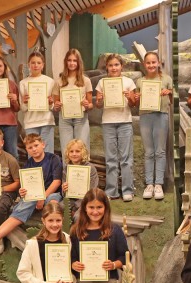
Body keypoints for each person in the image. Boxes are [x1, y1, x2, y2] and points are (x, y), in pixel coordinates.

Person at [0, 133, 62, 255]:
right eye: (30, 148)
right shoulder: (28, 165)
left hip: (52, 193)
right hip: (34, 195)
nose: (34, 149)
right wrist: (22, 191)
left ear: (43, 144)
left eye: (36, 145)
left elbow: (57, 182)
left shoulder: (53, 159)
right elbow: (25, 186)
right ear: (26, 150)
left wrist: (43, 197)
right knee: (23, 205)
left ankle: (56, 241)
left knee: (53, 205)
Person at [17, 202, 74, 283]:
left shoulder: (67, 240)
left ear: (62, 220)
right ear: (43, 221)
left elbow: (71, 267)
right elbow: (22, 272)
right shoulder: (33, 244)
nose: (55, 224)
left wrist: (71, 280)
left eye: (58, 220)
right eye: (50, 220)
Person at [95, 54, 136, 201]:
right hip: (108, 122)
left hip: (125, 121)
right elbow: (98, 105)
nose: (114, 68)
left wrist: (129, 97)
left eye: (116, 65)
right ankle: (112, 191)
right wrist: (99, 100)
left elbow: (133, 105)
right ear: (107, 67)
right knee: (111, 158)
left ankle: (127, 190)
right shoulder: (101, 82)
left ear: (121, 66)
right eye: (111, 65)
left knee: (126, 158)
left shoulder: (129, 82)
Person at [133, 51, 173, 200]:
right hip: (145, 117)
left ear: (158, 63)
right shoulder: (140, 82)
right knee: (148, 151)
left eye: (153, 62)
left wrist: (169, 92)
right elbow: (135, 103)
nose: (151, 65)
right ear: (144, 64)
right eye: (148, 63)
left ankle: (159, 184)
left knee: (160, 151)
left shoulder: (167, 79)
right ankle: (149, 184)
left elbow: (173, 100)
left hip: (161, 116)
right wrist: (136, 97)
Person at [53, 48, 93, 152]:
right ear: (65, 62)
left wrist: (86, 105)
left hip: (81, 119)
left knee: (83, 149)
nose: (72, 63)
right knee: (66, 150)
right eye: (69, 60)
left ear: (79, 62)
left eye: (74, 60)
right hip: (65, 119)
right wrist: (56, 105)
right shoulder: (59, 81)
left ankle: (84, 169)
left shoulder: (86, 80)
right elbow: (56, 105)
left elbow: (90, 105)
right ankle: (66, 169)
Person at [19, 51, 56, 151]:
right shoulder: (23, 83)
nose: (36, 65)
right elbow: (22, 108)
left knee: (48, 153)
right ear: (29, 65)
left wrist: (51, 103)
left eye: (39, 63)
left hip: (47, 121)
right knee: (32, 153)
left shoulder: (50, 81)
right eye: (33, 63)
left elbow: (53, 107)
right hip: (31, 123)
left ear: (43, 65)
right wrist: (25, 102)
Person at [61, 138, 99, 219]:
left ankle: (78, 231)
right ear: (68, 153)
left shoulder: (90, 168)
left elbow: (92, 192)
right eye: (71, 151)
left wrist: (76, 206)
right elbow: (65, 195)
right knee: (57, 209)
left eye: (77, 151)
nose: (74, 154)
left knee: (78, 217)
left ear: (83, 152)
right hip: (71, 200)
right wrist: (64, 189)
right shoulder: (66, 168)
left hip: (87, 200)